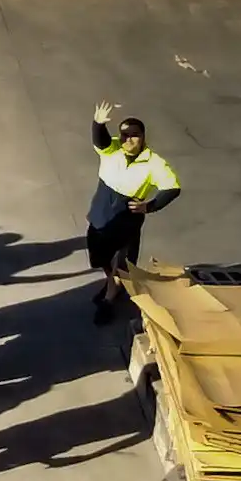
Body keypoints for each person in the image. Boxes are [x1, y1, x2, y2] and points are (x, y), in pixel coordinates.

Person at [88, 103, 181, 323]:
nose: (128, 140)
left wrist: (149, 206)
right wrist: (98, 123)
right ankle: (113, 284)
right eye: (124, 135)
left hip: (125, 223)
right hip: (100, 216)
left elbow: (172, 187)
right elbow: (100, 141)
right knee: (99, 257)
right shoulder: (113, 149)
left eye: (134, 135)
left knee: (123, 263)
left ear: (143, 137)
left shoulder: (154, 163)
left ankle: (111, 296)